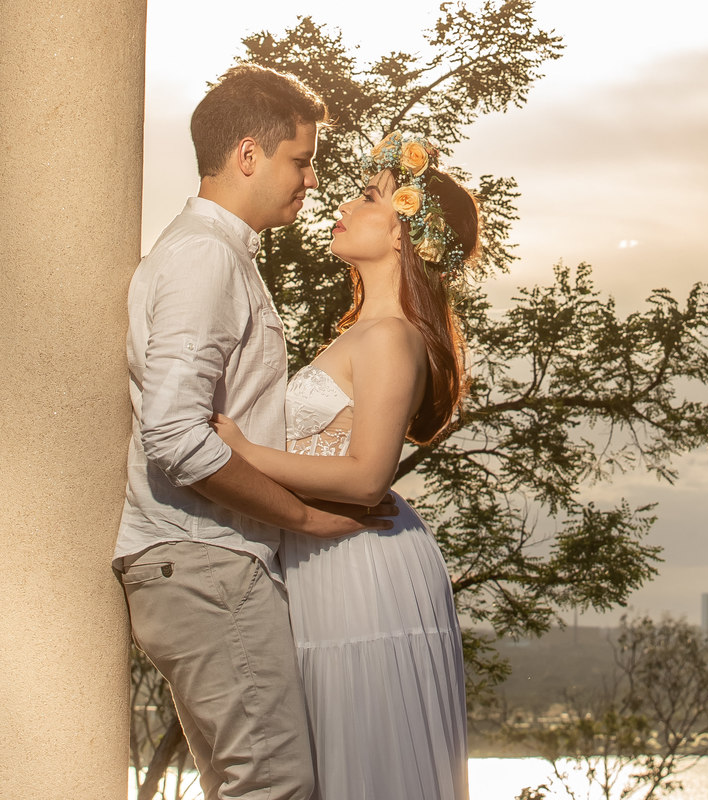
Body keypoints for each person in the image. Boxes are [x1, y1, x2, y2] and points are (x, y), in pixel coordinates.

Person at [114, 64, 394, 800]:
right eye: (299, 160)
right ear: (248, 154)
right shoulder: (206, 257)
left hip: (204, 567)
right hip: (208, 565)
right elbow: (174, 436)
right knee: (273, 788)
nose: (309, 181)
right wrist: (301, 516)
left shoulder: (218, 253)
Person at [211, 131, 473, 800]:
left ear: (402, 236)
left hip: (361, 563)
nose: (342, 204)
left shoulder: (391, 337)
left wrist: (242, 452)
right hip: (325, 555)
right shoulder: (363, 332)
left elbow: (365, 476)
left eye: (367, 197)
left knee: (363, 764)